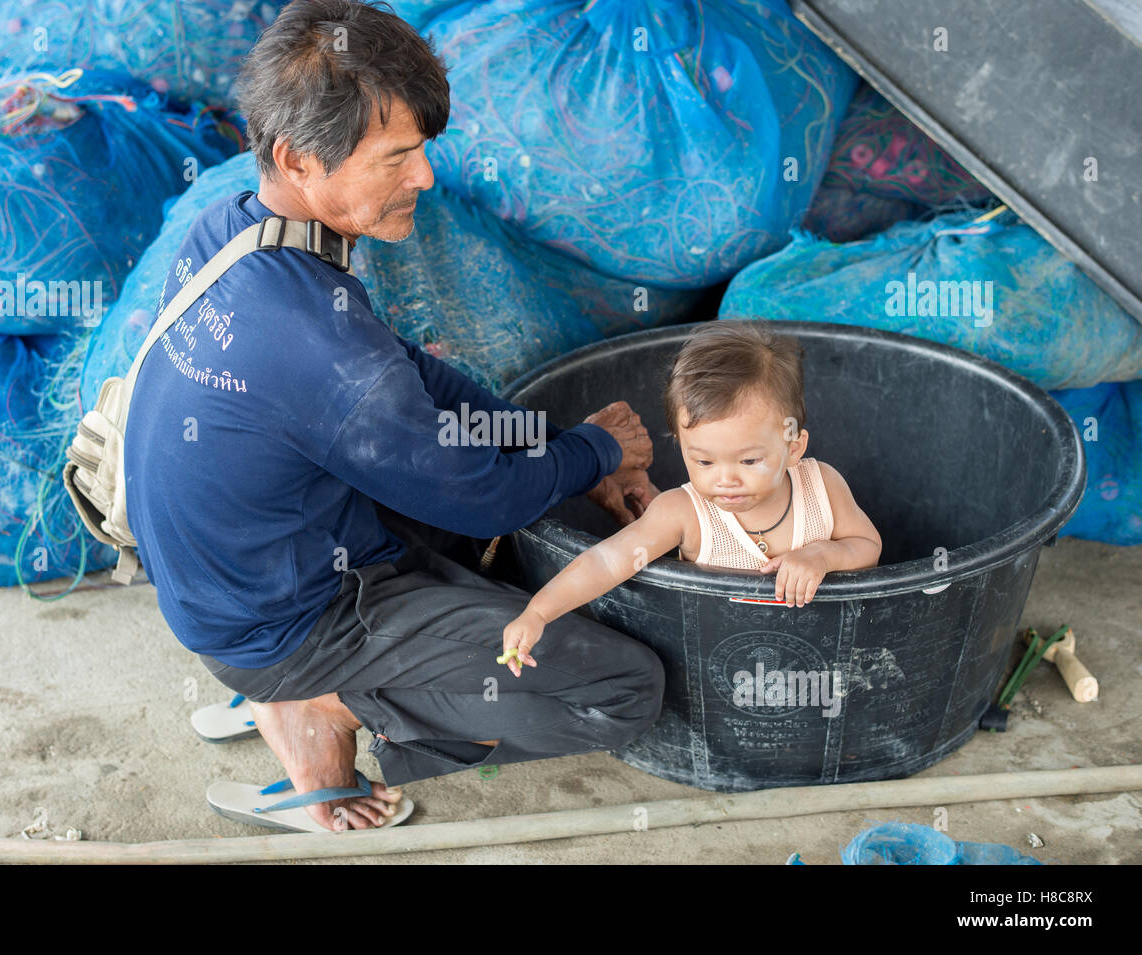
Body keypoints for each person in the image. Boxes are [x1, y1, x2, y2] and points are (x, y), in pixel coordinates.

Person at [122, 0, 665, 833]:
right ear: (298, 158)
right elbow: (482, 493)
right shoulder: (320, 349)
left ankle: (292, 684)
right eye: (399, 156)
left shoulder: (232, 229)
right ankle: (329, 703)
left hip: (224, 584)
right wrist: (593, 452)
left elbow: (417, 382)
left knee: (479, 517)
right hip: (284, 622)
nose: (426, 179)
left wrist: (551, 442)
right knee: (627, 688)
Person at [500, 320, 883, 677]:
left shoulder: (822, 486)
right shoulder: (682, 512)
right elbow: (606, 560)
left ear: (794, 447)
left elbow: (868, 546)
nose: (726, 479)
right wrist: (538, 612)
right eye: (703, 460)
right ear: (681, 446)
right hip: (713, 662)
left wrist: (824, 554)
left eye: (750, 460)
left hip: (818, 662)